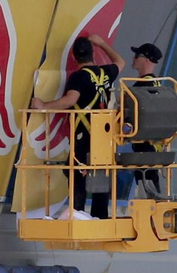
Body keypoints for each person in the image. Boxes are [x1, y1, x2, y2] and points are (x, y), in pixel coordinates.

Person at [31, 34, 123, 219]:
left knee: (76, 172)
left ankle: (77, 212)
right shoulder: (106, 73)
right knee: (100, 174)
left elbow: (69, 100)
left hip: (84, 134)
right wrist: (102, 43)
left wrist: (43, 106)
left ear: (74, 57)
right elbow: (120, 61)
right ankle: (100, 216)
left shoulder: (78, 77)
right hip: (103, 136)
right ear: (93, 54)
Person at [119, 43, 165, 201]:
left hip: (144, 145)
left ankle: (152, 218)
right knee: (151, 185)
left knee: (147, 189)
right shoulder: (157, 83)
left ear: (146, 60)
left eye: (137, 56)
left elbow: (128, 111)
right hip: (154, 145)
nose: (133, 58)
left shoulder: (142, 86)